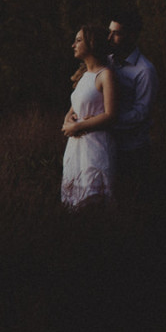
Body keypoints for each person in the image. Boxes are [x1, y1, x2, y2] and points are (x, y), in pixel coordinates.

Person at [61, 25, 118, 210]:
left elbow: (111, 115)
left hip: (95, 146)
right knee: (75, 202)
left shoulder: (105, 75)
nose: (73, 45)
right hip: (76, 147)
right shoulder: (84, 75)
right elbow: (74, 107)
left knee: (94, 201)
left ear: (91, 43)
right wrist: (67, 121)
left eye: (78, 40)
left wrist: (78, 126)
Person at [105, 14, 158, 197]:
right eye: (109, 32)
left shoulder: (145, 71)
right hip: (108, 145)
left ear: (132, 36)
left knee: (133, 199)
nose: (109, 38)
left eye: (116, 33)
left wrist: (107, 121)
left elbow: (141, 112)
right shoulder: (108, 62)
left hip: (133, 151)